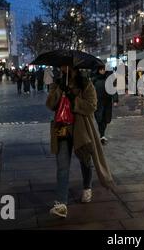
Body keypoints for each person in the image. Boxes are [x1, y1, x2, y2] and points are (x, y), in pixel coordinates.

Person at [46, 65, 114, 218]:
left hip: (81, 129)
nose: (63, 68)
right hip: (62, 129)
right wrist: (59, 91)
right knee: (62, 165)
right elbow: (50, 104)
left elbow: (92, 106)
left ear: (74, 68)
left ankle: (87, 187)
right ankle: (61, 203)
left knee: (85, 160)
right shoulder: (57, 83)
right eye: (61, 66)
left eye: (66, 66)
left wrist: (73, 98)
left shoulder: (86, 84)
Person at [92, 65, 118, 145]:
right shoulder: (94, 80)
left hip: (107, 102)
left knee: (106, 119)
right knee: (99, 118)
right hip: (98, 103)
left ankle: (102, 134)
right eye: (101, 69)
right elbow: (90, 92)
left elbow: (113, 90)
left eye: (103, 69)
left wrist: (115, 100)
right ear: (98, 70)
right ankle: (102, 134)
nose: (102, 71)